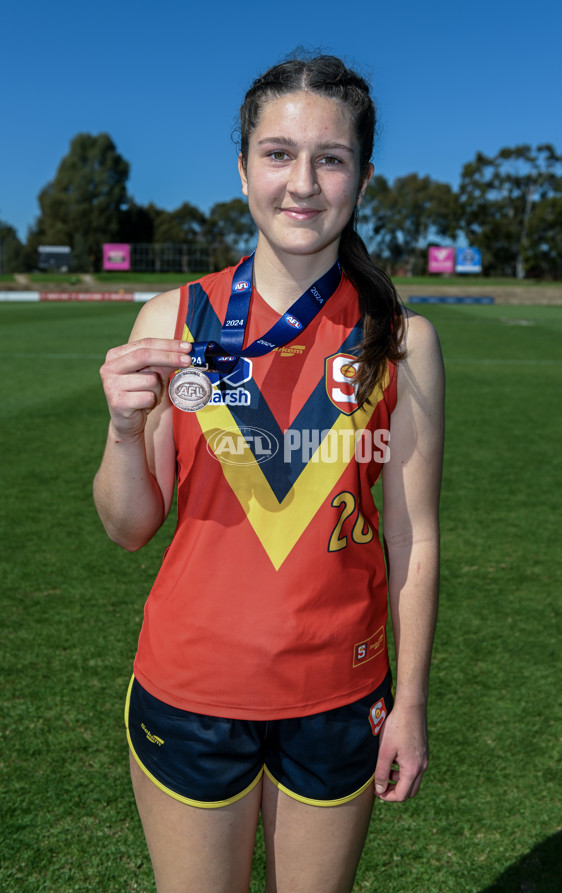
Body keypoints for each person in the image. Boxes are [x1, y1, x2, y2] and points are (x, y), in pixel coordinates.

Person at [94, 53, 444, 893]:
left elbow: (414, 536)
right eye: (279, 153)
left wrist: (414, 703)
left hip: (340, 693)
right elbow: (128, 524)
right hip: (190, 686)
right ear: (242, 166)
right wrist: (120, 426)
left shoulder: (400, 338)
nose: (303, 183)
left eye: (331, 157)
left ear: (361, 175)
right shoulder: (175, 317)